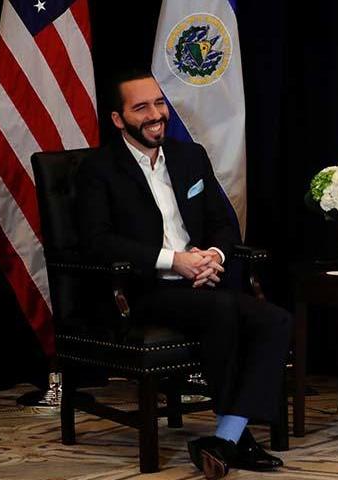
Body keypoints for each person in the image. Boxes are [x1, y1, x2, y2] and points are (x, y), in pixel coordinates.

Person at [76, 70, 291, 479]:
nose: (156, 114)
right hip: (142, 290)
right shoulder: (98, 169)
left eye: (159, 103)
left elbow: (224, 224)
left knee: (276, 320)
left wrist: (212, 256)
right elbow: (97, 242)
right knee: (224, 310)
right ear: (118, 119)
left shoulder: (189, 155)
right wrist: (173, 260)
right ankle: (237, 441)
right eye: (141, 107)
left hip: (202, 284)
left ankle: (226, 437)